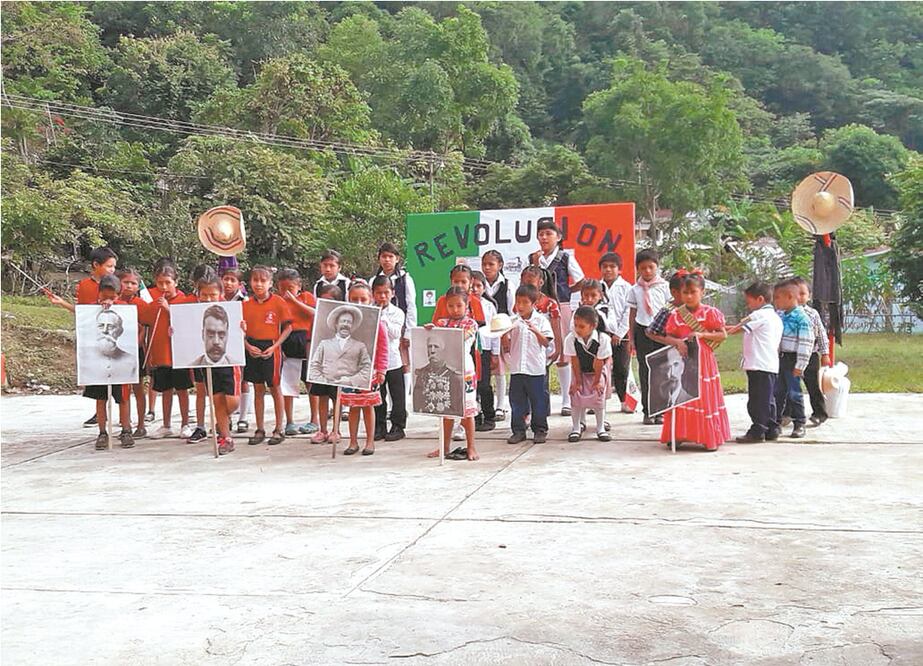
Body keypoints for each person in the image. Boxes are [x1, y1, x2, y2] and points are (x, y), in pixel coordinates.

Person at [657, 271, 730, 451]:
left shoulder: (711, 313)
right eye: (685, 293)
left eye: (693, 292)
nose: (689, 296)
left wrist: (702, 334)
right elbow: (668, 335)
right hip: (682, 360)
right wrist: (676, 342)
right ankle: (679, 434)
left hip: (703, 361)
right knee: (680, 394)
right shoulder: (675, 315)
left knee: (702, 396)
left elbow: (722, 335)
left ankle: (707, 437)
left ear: (702, 292)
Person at [47, 246, 119, 428]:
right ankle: (100, 414)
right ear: (96, 265)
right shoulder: (85, 286)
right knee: (98, 378)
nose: (112, 270)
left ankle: (125, 417)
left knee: (118, 378)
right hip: (93, 337)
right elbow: (82, 312)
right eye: (109, 266)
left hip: (113, 337)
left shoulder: (116, 283)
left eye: (113, 267)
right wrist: (61, 303)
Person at [529, 219, 585, 417]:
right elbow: (529, 282)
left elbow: (580, 280)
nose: (544, 237)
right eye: (541, 234)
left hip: (560, 307)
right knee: (538, 351)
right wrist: (534, 264)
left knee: (562, 354)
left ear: (558, 237)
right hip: (537, 308)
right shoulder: (534, 258)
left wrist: (565, 292)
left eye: (548, 234)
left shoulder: (565, 257)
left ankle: (566, 399)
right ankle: (539, 400)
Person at [184, 274, 242, 454]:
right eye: (204, 295)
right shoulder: (193, 314)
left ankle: (224, 420)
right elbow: (184, 332)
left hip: (229, 364)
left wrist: (243, 328)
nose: (208, 299)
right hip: (207, 364)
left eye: (213, 295)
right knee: (216, 400)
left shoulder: (231, 311)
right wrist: (175, 331)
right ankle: (226, 437)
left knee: (231, 402)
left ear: (221, 294)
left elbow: (240, 331)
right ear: (198, 294)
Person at [80, 274, 135, 450]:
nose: (108, 300)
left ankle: (126, 430)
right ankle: (102, 432)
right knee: (100, 398)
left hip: (121, 366)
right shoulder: (91, 310)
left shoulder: (125, 308)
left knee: (123, 398)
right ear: (99, 293)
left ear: (119, 295)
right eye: (105, 297)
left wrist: (115, 306)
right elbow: (80, 317)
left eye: (113, 297)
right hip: (97, 363)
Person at [138, 263, 194, 440]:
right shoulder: (152, 302)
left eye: (168, 282)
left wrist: (169, 309)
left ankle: (185, 423)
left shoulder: (183, 300)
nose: (164, 287)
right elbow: (145, 323)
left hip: (179, 354)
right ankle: (167, 425)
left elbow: (186, 323)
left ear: (176, 282)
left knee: (182, 390)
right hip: (160, 354)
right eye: (160, 283)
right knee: (166, 390)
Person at [427, 286, 480, 461]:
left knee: (467, 411)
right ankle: (444, 446)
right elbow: (434, 339)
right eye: (451, 306)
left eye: (459, 305)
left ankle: (471, 447)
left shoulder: (471, 324)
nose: (455, 310)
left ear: (467, 304)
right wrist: (430, 330)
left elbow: (460, 338)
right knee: (445, 411)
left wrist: (440, 333)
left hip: (464, 372)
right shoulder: (441, 323)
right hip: (444, 372)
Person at [727, 281, 783, 443]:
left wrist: (716, 332)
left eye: (749, 300)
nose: (747, 304)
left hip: (758, 363)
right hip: (770, 364)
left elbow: (737, 328)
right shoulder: (775, 317)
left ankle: (758, 429)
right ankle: (771, 427)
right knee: (768, 398)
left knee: (757, 399)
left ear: (759, 299)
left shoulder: (759, 315)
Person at [242, 266, 292, 446]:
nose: (258, 284)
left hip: (271, 346)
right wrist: (247, 345)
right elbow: (240, 332)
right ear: (250, 282)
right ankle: (260, 428)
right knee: (258, 389)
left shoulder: (278, 302)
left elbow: (288, 327)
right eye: (255, 280)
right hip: (252, 346)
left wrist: (275, 346)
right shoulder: (245, 305)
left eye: (263, 281)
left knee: (275, 387)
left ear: (270, 283)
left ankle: (279, 428)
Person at [338, 281, 388, 456]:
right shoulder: (343, 323)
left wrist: (381, 369)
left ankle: (369, 442)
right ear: (348, 300)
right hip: (349, 372)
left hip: (370, 372)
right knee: (353, 407)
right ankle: (352, 442)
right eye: (354, 299)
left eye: (363, 299)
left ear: (371, 300)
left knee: (368, 406)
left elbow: (383, 347)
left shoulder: (377, 322)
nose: (359, 303)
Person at [502, 284, 553, 445]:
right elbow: (507, 345)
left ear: (534, 303)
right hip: (517, 368)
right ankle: (518, 430)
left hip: (535, 369)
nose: (521, 306)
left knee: (538, 400)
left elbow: (546, 343)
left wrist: (535, 330)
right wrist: (503, 335)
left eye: (525, 302)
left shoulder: (541, 320)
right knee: (517, 401)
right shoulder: (512, 321)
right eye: (518, 302)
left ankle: (540, 430)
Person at [627, 249, 671, 425]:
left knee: (662, 372)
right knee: (645, 372)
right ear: (638, 269)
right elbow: (632, 313)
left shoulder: (664, 287)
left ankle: (660, 410)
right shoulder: (635, 289)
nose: (647, 271)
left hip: (662, 333)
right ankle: (648, 410)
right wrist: (631, 337)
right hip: (643, 331)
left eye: (650, 267)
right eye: (643, 268)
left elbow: (671, 310)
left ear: (657, 267)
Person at [370, 242, 416, 395]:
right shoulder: (373, 280)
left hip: (398, 324)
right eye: (384, 256)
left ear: (397, 259)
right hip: (378, 327)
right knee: (383, 362)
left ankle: (402, 400)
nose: (387, 260)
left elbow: (411, 305)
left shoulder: (405, 278)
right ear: (379, 259)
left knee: (403, 363)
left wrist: (409, 331)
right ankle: (385, 403)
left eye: (391, 256)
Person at [276, 268, 318, 437]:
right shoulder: (277, 301)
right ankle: (290, 421)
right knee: (287, 385)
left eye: (290, 288)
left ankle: (315, 419)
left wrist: (295, 301)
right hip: (287, 342)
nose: (286, 292)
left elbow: (316, 314)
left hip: (306, 341)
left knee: (311, 383)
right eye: (282, 288)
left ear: (299, 286)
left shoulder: (307, 297)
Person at [772, 279, 815, 439]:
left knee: (794, 393)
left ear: (789, 297)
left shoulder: (802, 319)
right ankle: (775, 423)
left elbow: (806, 343)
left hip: (794, 360)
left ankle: (799, 423)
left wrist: (800, 365)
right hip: (781, 359)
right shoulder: (780, 315)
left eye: (777, 297)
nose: (775, 301)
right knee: (778, 392)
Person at [564, 306, 612, 443]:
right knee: (576, 395)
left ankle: (600, 428)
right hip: (580, 370)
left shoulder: (603, 339)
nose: (577, 329)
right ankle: (576, 427)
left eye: (582, 326)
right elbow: (575, 360)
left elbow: (599, 362)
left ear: (593, 326)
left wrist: (597, 381)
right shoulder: (571, 339)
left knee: (598, 396)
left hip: (598, 369)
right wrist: (577, 381)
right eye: (575, 325)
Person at [308, 283, 345, 444]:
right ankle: (322, 430)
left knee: (336, 397)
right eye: (322, 300)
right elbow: (311, 341)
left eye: (330, 301)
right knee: (321, 396)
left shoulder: (344, 321)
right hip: (321, 364)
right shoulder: (317, 319)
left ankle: (336, 430)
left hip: (338, 364)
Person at [372, 275, 407, 442]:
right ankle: (379, 425)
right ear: (373, 294)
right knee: (379, 394)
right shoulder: (369, 311)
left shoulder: (397, 313)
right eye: (379, 293)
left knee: (397, 395)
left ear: (392, 293)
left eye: (386, 293)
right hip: (376, 363)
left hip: (393, 361)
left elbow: (394, 334)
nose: (383, 297)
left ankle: (398, 426)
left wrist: (382, 318)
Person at [792, 276, 830, 427]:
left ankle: (820, 413)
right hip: (791, 356)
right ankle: (788, 413)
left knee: (813, 385)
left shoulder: (813, 314)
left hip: (810, 355)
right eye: (795, 293)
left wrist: (825, 353)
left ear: (809, 296)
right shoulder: (785, 314)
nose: (799, 297)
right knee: (790, 386)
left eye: (803, 294)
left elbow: (821, 334)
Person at [117, 268, 149, 439]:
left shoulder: (141, 304)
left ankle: (141, 424)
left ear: (138, 286)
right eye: (126, 282)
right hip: (119, 351)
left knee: (138, 388)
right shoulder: (113, 302)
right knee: (123, 389)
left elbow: (145, 326)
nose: (129, 286)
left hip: (137, 351)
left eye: (133, 283)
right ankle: (125, 423)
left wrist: (137, 342)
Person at [598, 252, 632, 413]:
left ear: (619, 270)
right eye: (605, 267)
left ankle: (624, 401)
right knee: (599, 368)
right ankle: (596, 401)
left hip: (620, 335)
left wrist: (619, 333)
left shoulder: (626, 288)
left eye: (612, 267)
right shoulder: (597, 287)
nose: (608, 270)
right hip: (601, 334)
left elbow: (628, 312)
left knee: (621, 368)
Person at [221, 265, 252, 433]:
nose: (228, 283)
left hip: (241, 344)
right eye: (226, 279)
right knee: (225, 384)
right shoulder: (216, 298)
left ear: (240, 284)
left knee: (243, 381)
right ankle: (227, 419)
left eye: (233, 280)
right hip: (221, 346)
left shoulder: (244, 301)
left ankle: (243, 418)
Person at [481, 250, 510, 420]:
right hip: (485, 336)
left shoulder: (507, 285)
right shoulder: (479, 283)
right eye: (484, 264)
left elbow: (512, 311)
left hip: (502, 332)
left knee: (500, 369)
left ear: (500, 265)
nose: (487, 267)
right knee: (484, 372)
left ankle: (501, 405)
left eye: (491, 264)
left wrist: (505, 334)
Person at [413, 332, 464, 415]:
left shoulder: (454, 376)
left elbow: (457, 409)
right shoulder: (421, 374)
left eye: (436, 347)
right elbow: (417, 404)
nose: (432, 351)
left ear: (443, 351)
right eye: (430, 347)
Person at [470, 271, 497, 432]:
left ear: (484, 287)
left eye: (478, 285)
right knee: (470, 385)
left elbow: (494, 331)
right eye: (472, 285)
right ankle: (474, 415)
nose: (474, 289)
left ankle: (489, 416)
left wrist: (495, 352)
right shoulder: (464, 304)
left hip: (484, 349)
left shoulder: (489, 306)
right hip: (468, 350)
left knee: (484, 385)